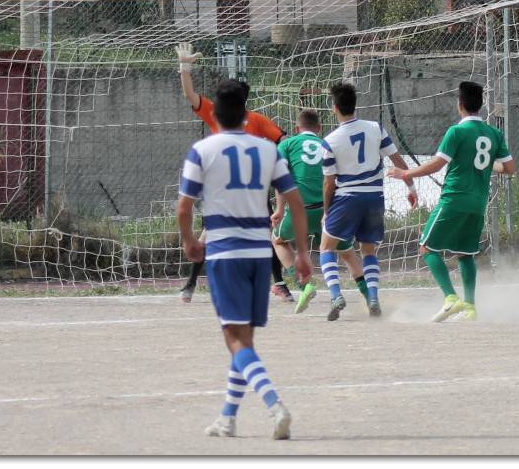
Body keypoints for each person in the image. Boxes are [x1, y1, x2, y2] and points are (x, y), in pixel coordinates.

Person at [177, 79, 313, 439]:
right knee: (244, 339)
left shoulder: (202, 150)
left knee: (234, 339)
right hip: (259, 252)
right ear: (246, 114)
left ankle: (275, 406)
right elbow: (295, 204)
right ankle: (228, 417)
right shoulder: (269, 151)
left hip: (225, 252)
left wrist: (190, 241)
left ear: (215, 115)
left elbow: (184, 207)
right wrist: (301, 253)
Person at [387, 81, 515, 322]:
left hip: (454, 198)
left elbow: (437, 164)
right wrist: (489, 165)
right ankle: (469, 307)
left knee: (426, 247)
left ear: (460, 105)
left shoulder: (456, 131)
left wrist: (405, 173)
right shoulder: (494, 133)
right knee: (465, 253)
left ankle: (450, 298)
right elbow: (509, 167)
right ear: (481, 105)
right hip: (478, 202)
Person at [176, 42, 294, 304]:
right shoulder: (224, 116)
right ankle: (192, 283)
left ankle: (280, 284)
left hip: (250, 188)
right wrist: (184, 68)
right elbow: (190, 95)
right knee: (214, 235)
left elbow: (283, 141)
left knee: (260, 236)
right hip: (228, 189)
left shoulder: (255, 120)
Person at [318, 82, 418, 321]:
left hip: (347, 198)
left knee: (326, 247)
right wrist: (411, 186)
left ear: (335, 108)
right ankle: (372, 297)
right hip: (374, 198)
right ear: (355, 105)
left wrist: (326, 210)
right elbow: (397, 160)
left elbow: (329, 183)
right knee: (368, 250)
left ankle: (335, 295)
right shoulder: (376, 128)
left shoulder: (330, 140)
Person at [271, 109, 371, 316]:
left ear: (297, 129)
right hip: (330, 210)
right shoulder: (329, 143)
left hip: (302, 211)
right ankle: (370, 296)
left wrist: (280, 209)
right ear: (319, 129)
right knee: (347, 252)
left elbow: (280, 177)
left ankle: (304, 286)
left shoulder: (287, 144)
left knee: (277, 240)